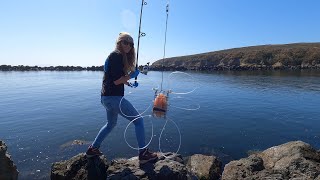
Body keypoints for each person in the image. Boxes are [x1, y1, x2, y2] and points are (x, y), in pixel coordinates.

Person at [86, 32, 158, 164]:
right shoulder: (117, 55)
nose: (128, 45)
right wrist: (131, 75)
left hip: (106, 98)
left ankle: (93, 149)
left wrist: (129, 83)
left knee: (110, 124)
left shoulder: (114, 56)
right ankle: (143, 153)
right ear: (119, 43)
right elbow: (116, 81)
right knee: (139, 121)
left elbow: (114, 78)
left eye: (131, 44)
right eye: (125, 42)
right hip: (114, 98)